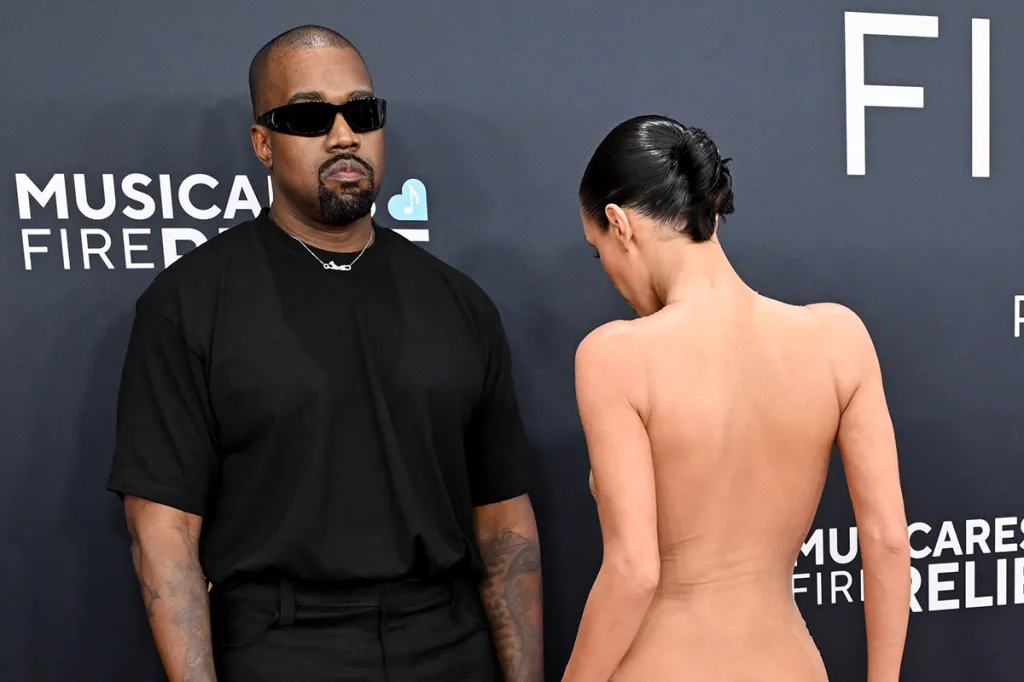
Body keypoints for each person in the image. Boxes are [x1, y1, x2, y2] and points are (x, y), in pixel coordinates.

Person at [106, 25, 543, 682]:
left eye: (362, 112)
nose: (344, 136)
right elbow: (163, 534)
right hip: (281, 646)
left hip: (449, 641)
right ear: (263, 143)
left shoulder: (460, 303)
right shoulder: (190, 303)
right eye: (310, 117)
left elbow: (505, 524)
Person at [560, 115, 911, 681]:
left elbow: (633, 571)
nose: (610, 274)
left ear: (619, 224)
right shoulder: (838, 338)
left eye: (597, 252)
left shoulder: (615, 356)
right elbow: (890, 542)